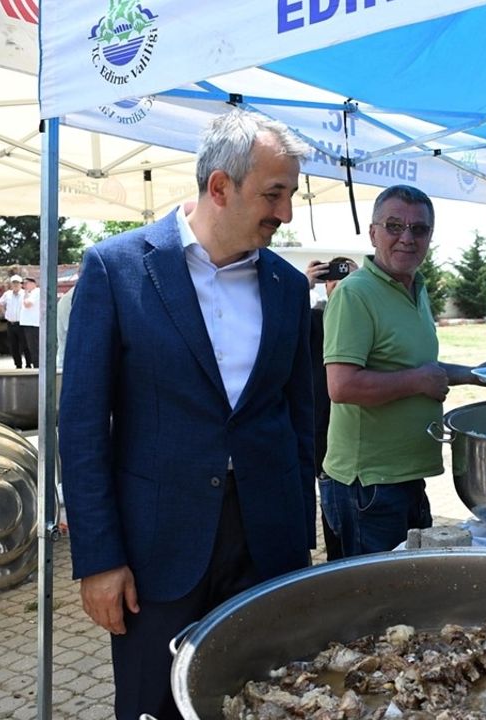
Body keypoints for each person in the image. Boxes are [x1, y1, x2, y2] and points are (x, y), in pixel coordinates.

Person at [58, 109, 316, 720]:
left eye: (289, 195)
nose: (284, 213)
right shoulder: (115, 269)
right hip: (158, 549)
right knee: (157, 703)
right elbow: (84, 427)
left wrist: (299, 533)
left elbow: (299, 418)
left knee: (269, 697)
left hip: (266, 542)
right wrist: (97, 559)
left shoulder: (287, 284)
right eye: (273, 194)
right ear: (220, 186)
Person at [320, 184, 486, 557]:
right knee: (374, 601)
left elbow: (421, 369)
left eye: (419, 229)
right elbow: (341, 385)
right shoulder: (355, 293)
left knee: (409, 595)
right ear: (373, 233)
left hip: (405, 477)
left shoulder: (415, 288)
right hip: (367, 487)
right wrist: (419, 381)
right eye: (394, 226)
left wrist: (477, 374)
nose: (407, 238)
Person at [305, 255, 358, 561]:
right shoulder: (312, 318)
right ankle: (336, 562)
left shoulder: (365, 313)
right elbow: (275, 319)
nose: (339, 286)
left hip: (354, 431)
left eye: (347, 278)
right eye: (332, 279)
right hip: (320, 428)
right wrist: (303, 284)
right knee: (331, 510)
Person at [0, 274, 26, 368]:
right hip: (11, 323)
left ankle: (29, 364)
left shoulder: (25, 294)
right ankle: (18, 364)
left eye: (17, 283)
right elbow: (0, 303)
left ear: (21, 284)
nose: (15, 285)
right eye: (13, 283)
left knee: (25, 345)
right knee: (14, 346)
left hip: (22, 323)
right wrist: (5, 314)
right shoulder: (7, 294)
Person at [19, 276, 40, 368]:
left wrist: (25, 295)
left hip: (34, 324)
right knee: (30, 347)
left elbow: (28, 304)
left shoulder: (36, 292)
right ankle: (34, 364)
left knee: (35, 347)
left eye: (26, 283)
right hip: (28, 324)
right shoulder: (30, 293)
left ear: (33, 283)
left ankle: (37, 366)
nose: (24, 286)